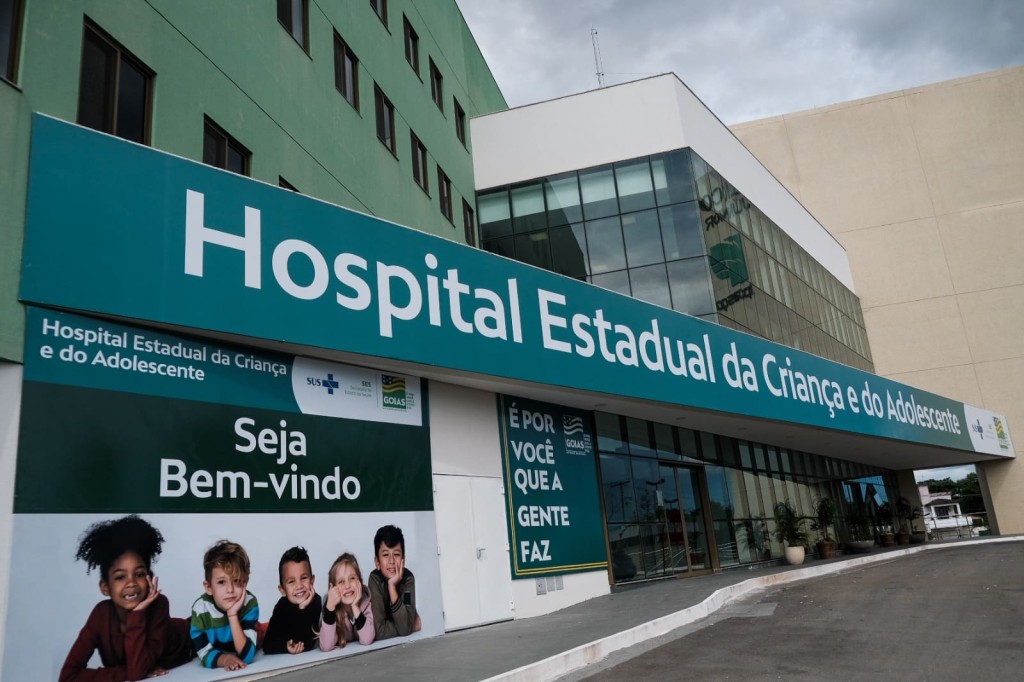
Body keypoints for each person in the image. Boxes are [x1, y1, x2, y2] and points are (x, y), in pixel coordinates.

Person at [60, 515, 193, 681]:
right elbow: (68, 676)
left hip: (195, 637)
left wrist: (137, 614)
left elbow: (137, 672)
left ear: (149, 579)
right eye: (120, 577)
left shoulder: (159, 604)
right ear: (105, 587)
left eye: (139, 574)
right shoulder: (101, 615)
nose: (131, 583)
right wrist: (127, 672)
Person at [189, 540, 259, 670]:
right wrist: (224, 659)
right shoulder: (200, 610)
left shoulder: (249, 603)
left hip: (255, 632)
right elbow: (204, 652)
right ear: (209, 587)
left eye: (236, 580)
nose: (230, 589)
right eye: (222, 582)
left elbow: (247, 656)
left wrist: (232, 615)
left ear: (245, 582)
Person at [262, 546, 322, 654]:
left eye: (304, 578)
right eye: (291, 581)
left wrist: (303, 608)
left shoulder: (317, 602)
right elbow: (267, 645)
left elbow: (308, 643)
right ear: (282, 590)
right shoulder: (281, 607)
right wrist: (286, 647)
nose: (299, 586)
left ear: (312, 581)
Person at [368, 525, 421, 640]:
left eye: (396, 554)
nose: (391, 561)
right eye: (385, 555)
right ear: (377, 562)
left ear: (403, 560)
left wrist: (391, 586)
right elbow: (378, 631)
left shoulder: (408, 580)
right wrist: (410, 626)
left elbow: (405, 628)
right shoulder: (375, 579)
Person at [319, 553, 374, 650]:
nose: (347, 586)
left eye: (352, 578)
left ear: (360, 582)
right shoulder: (329, 608)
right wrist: (330, 608)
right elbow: (326, 646)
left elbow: (367, 639)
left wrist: (355, 606)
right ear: (332, 588)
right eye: (341, 582)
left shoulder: (365, 602)